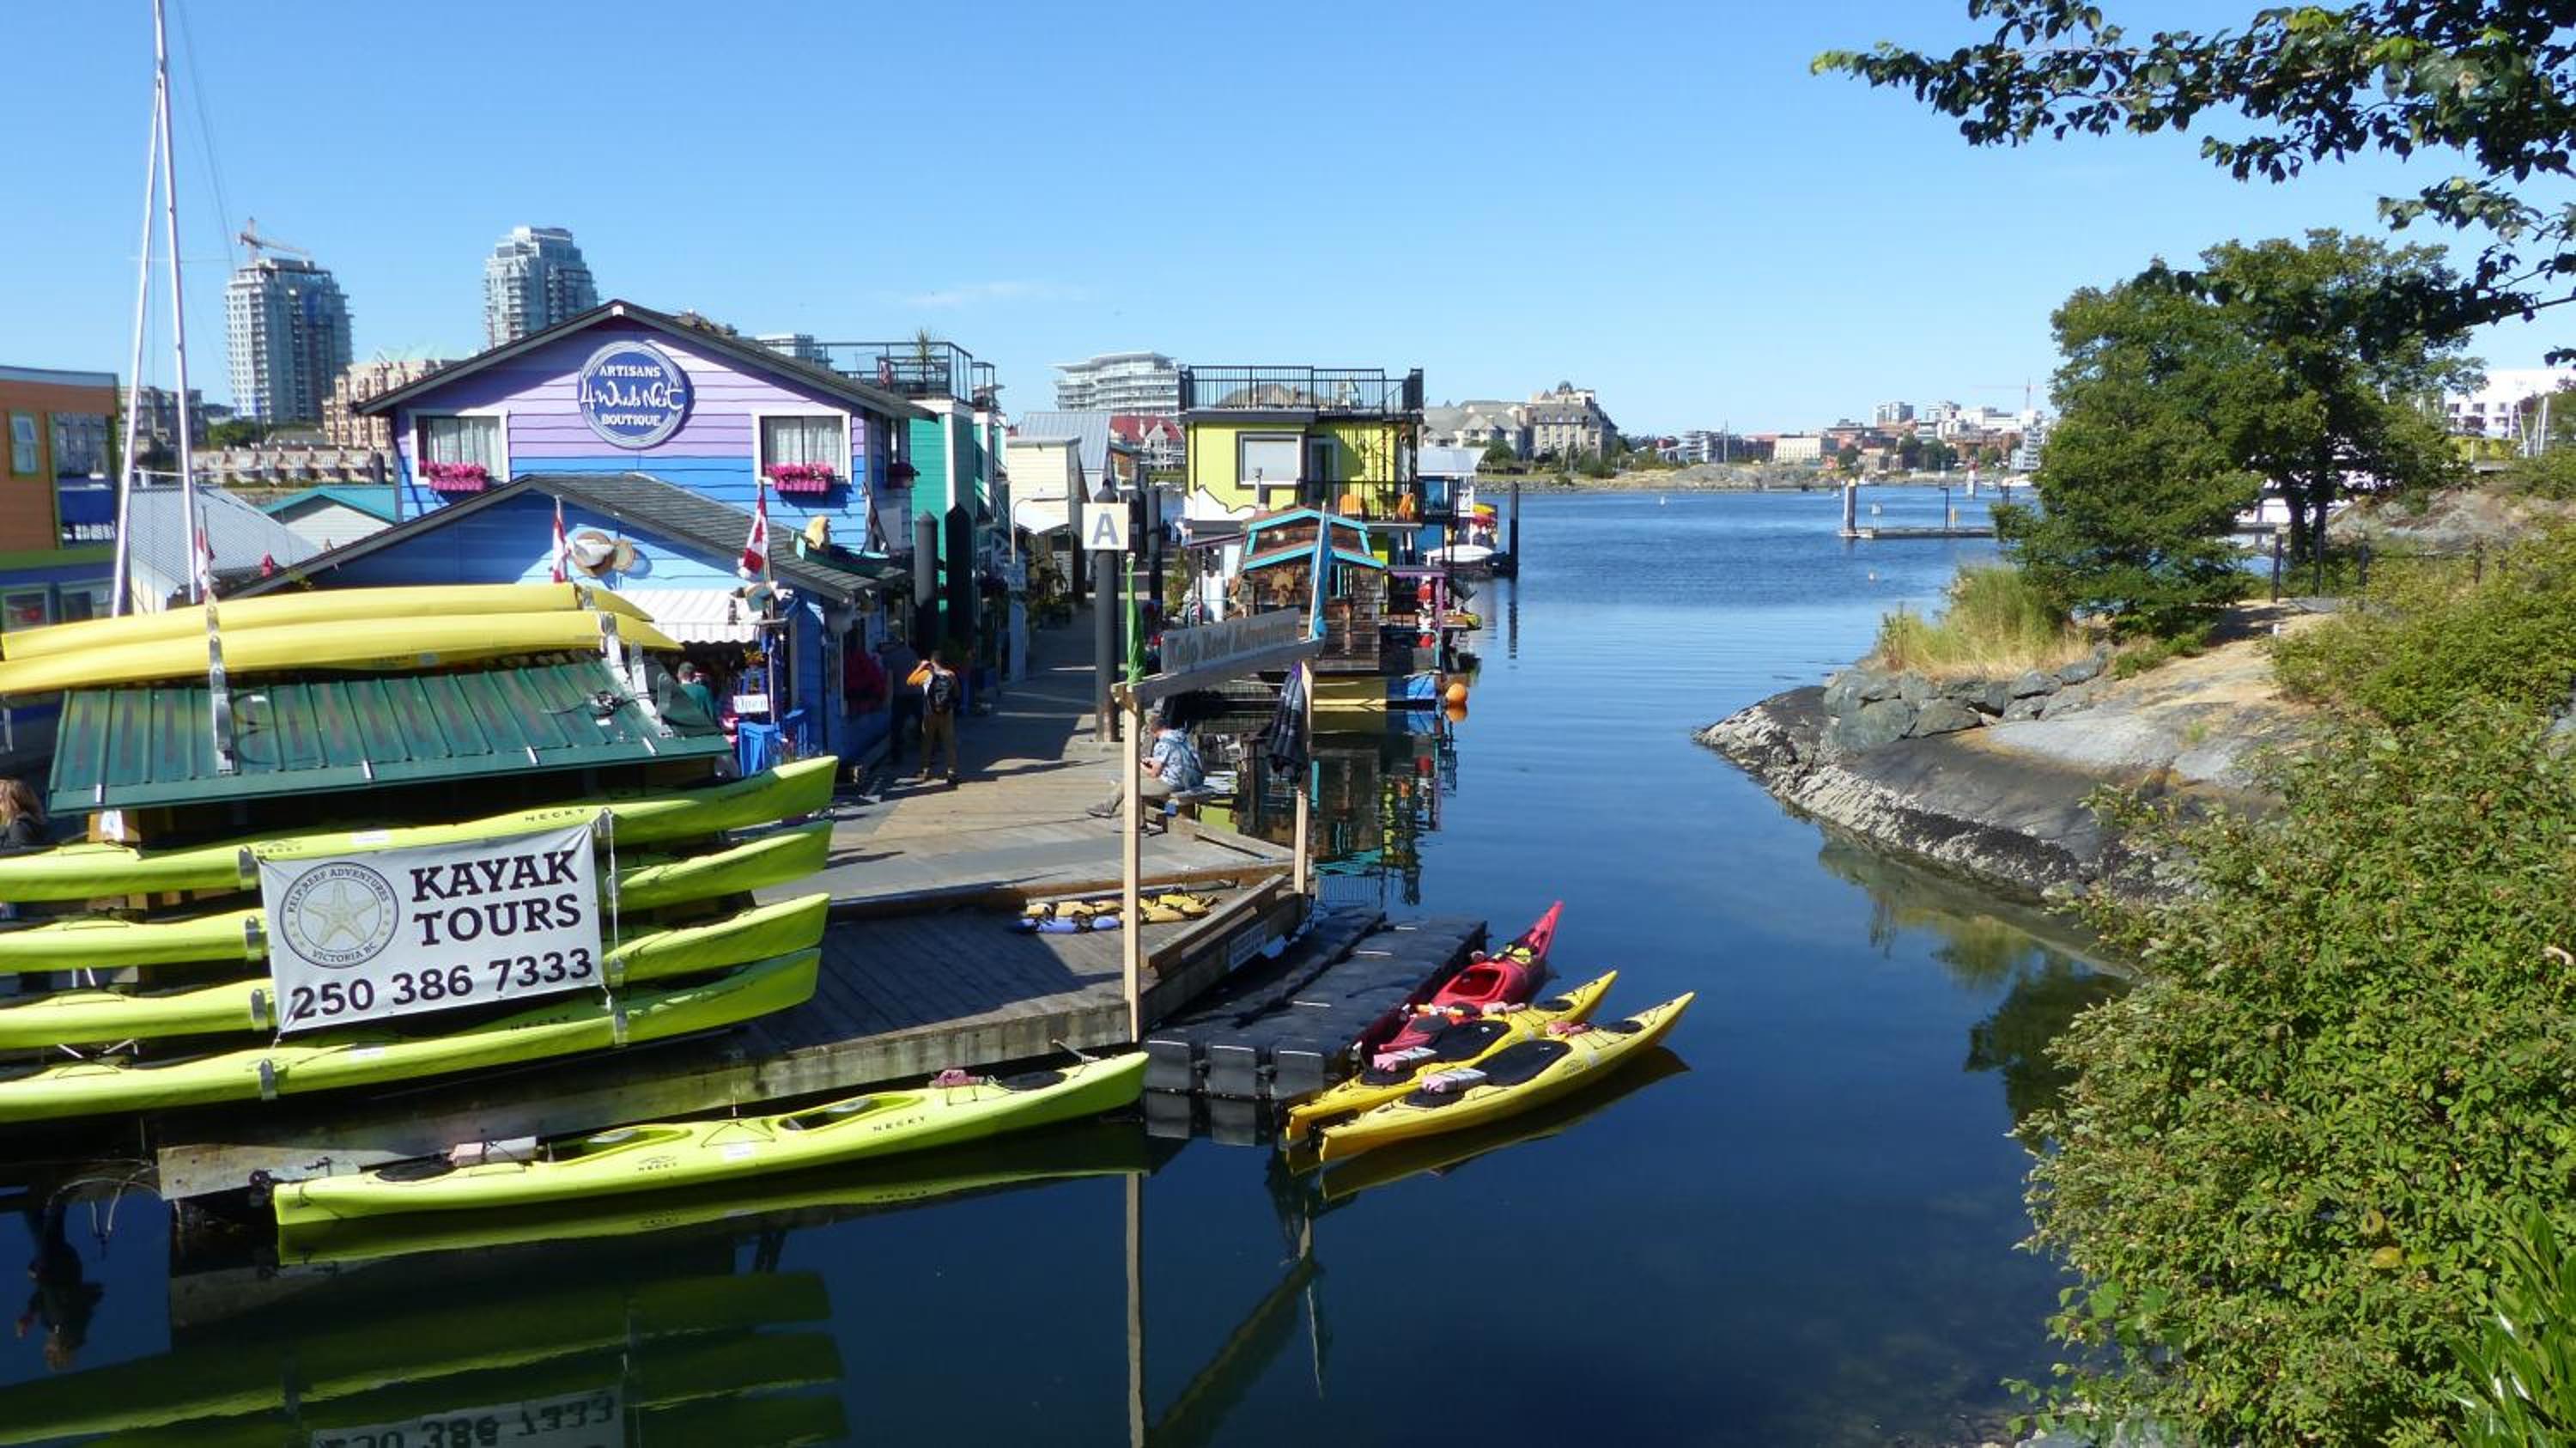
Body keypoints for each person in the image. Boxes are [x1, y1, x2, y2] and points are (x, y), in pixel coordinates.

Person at [16, 1201, 101, 1374]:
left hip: (56, 1264)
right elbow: (50, 1291)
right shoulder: (62, 1323)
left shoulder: (52, 1324)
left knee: (43, 1228)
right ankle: (53, 1195)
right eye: (48, 1351)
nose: (45, 1346)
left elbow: (42, 1297)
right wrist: (36, 1276)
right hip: (59, 1266)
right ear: (58, 1350)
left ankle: (46, 1195)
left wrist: (29, 1315)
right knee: (42, 1226)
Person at [1089, 720, 1204, 818]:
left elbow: (1154, 774)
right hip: (1190, 781)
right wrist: (1152, 761)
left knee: (1130, 786)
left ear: (1153, 732)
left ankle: (1110, 808)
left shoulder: (1163, 744)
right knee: (1133, 777)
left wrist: (1141, 765)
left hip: (1173, 783)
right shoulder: (1182, 737)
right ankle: (1112, 808)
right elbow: (1176, 759)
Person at [905, 650, 961, 784]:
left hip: (929, 713)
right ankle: (952, 772)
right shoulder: (951, 674)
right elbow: (957, 693)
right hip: (946, 713)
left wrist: (921, 666)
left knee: (927, 742)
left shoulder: (926, 674)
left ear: (932, 662)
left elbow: (909, 681)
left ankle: (925, 771)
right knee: (949, 742)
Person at [878, 636, 921, 768]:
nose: (881, 648)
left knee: (897, 727)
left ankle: (897, 758)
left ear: (890, 645)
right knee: (923, 722)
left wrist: (887, 700)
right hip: (917, 692)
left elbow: (890, 681)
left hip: (900, 695)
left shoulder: (889, 658)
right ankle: (930, 752)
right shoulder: (911, 652)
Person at [673, 661, 720, 726]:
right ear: (694, 675)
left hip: (681, 732)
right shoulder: (703, 690)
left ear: (679, 675)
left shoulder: (673, 691)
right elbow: (712, 715)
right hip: (701, 731)